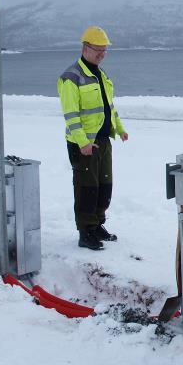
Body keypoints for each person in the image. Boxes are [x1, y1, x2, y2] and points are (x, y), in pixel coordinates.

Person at [57, 26, 128, 250]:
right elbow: (71, 114)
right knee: (86, 187)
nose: (101, 54)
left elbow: (109, 107)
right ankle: (85, 231)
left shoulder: (101, 75)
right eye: (98, 50)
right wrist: (83, 142)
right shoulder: (71, 77)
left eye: (105, 51)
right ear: (85, 48)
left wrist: (119, 128)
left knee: (104, 186)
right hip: (84, 144)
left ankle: (97, 225)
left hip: (104, 140)